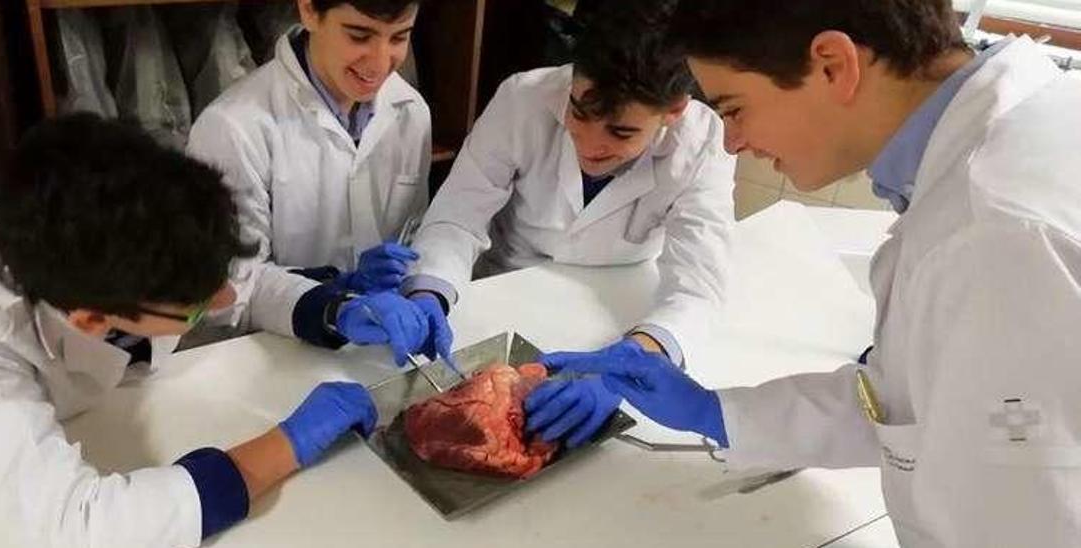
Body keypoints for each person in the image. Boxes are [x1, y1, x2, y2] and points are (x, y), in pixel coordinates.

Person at [537, 1, 1081, 545]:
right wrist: (715, 413)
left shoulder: (999, 236)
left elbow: (1027, 519)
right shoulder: (1016, 140)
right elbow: (913, 401)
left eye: (732, 108)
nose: (732, 142)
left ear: (832, 65)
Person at [0, 114, 379, 546]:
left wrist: (328, 310)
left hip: (86, 424)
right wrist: (287, 443)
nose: (227, 299)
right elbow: (84, 529)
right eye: (191, 309)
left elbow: (237, 285)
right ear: (92, 319)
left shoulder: (121, 213)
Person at [403, 0, 735, 449]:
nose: (590, 144)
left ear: (673, 111)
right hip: (506, 288)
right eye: (578, 111)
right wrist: (430, 288)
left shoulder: (703, 141)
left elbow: (698, 288)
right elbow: (457, 216)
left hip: (614, 307)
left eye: (620, 132)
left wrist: (633, 360)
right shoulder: (522, 98)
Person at [186, 0, 451, 367]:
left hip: (371, 355)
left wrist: (420, 285)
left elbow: (411, 232)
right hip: (264, 359)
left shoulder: (411, 111)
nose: (379, 62)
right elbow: (228, 291)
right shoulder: (233, 127)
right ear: (309, 10)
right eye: (359, 35)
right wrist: (335, 303)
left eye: (399, 38)